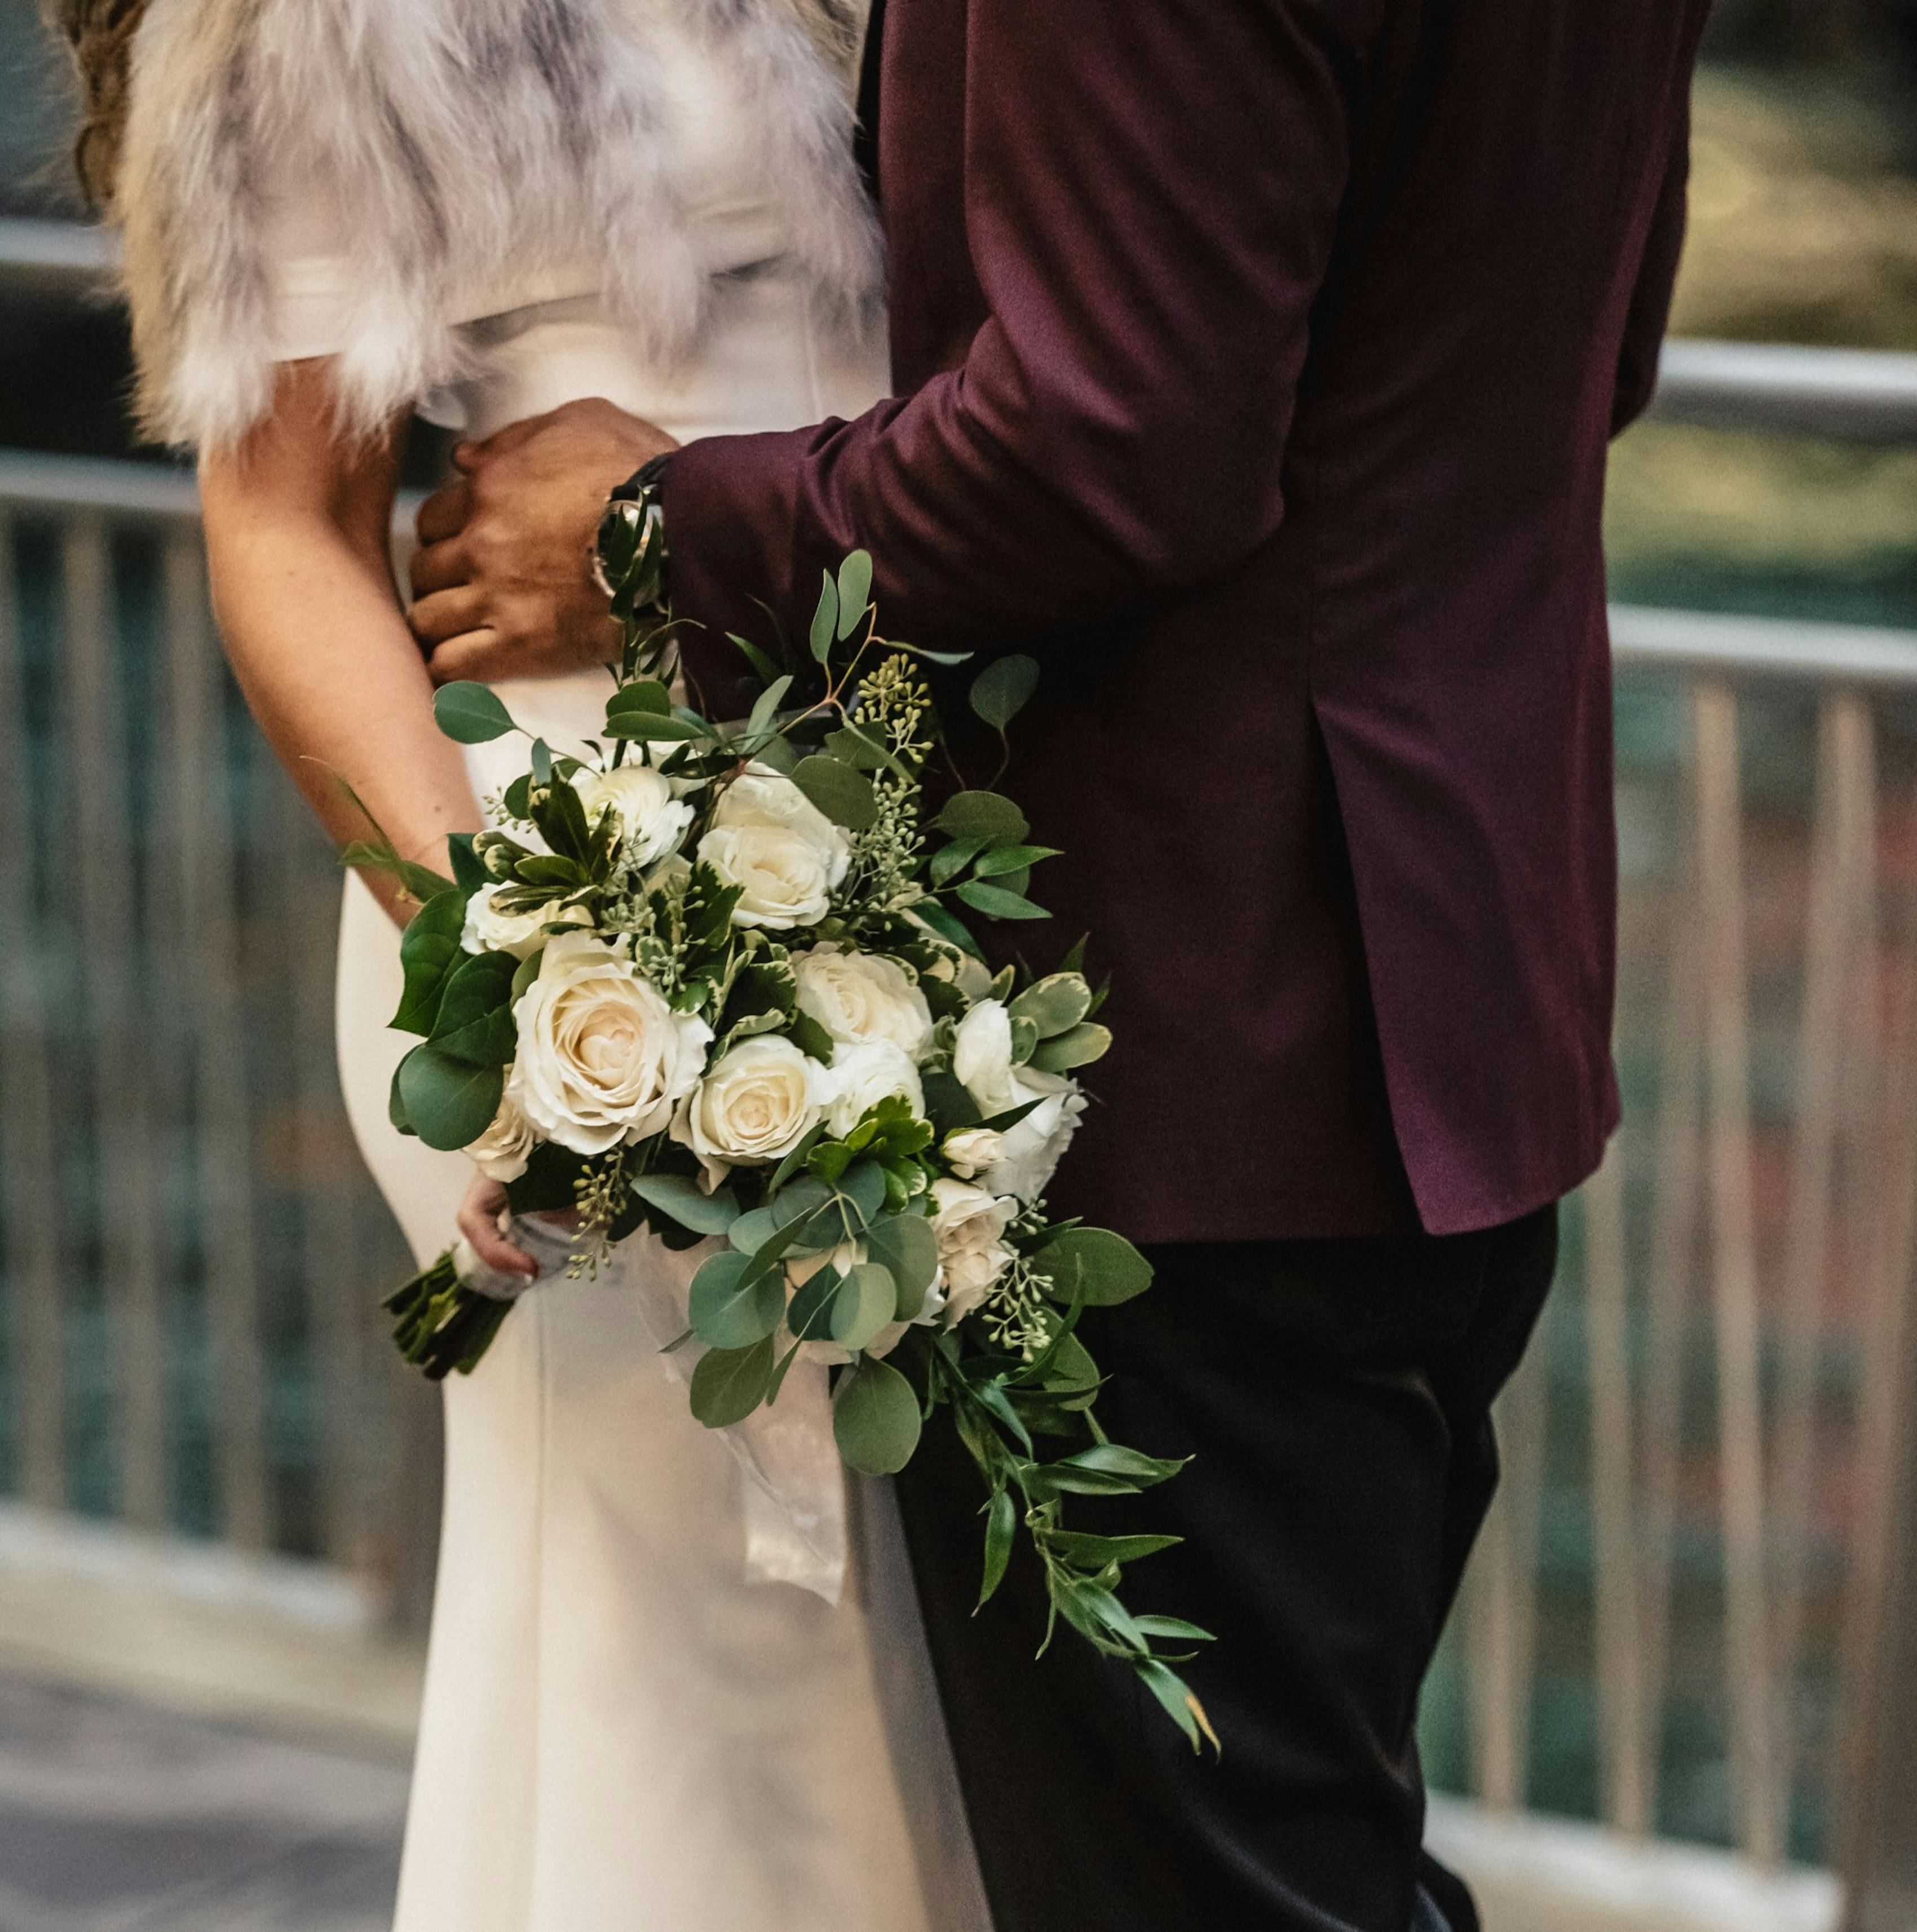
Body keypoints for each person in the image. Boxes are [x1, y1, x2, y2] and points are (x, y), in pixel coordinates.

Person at [406, 0, 1717, 1927]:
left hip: (1187, 1049)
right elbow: (1587, 346)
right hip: (1459, 994)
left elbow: (1113, 447)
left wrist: (656, 524)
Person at [45, 2, 989, 1929]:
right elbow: (290, 521)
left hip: (947, 839)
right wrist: (530, 983)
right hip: (603, 893)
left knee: (942, 1704)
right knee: (706, 1694)